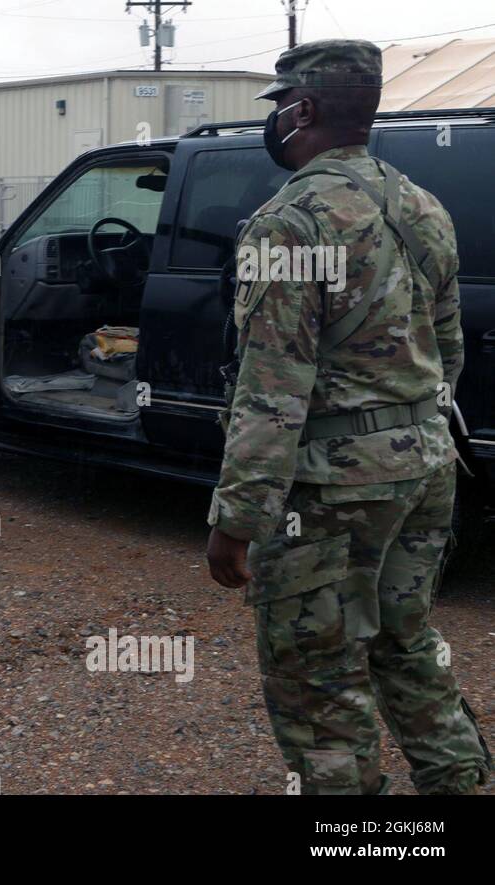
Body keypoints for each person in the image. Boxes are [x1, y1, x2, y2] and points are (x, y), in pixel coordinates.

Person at [207, 39, 490, 795]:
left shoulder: (288, 222)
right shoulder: (423, 205)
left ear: (300, 111)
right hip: (427, 469)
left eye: (280, 110)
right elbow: (450, 350)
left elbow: (273, 385)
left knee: (319, 681)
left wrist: (237, 516)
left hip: (332, 493)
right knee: (406, 643)